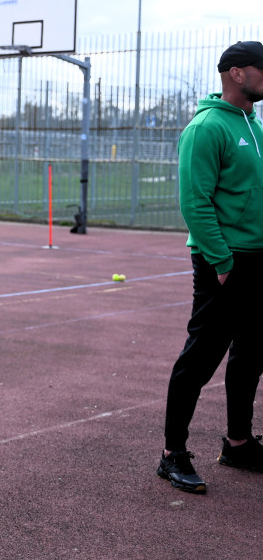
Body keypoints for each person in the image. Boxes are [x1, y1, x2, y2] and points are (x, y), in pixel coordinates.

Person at [158, 40, 263, 493]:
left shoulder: (254, 125)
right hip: (225, 261)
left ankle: (238, 443)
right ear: (237, 73)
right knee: (201, 357)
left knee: (252, 354)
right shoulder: (206, 127)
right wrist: (221, 261)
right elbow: (194, 202)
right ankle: (172, 454)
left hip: (259, 258)